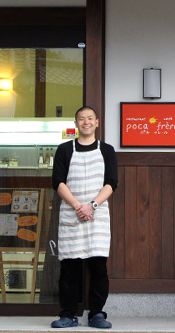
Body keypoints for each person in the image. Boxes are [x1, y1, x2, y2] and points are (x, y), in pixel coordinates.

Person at [50, 106, 118, 329]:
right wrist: (79, 206)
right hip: (72, 214)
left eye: (90, 118)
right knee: (69, 267)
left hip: (97, 216)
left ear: (97, 122)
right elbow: (58, 182)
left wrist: (93, 205)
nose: (86, 122)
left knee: (98, 266)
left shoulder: (106, 150)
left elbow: (111, 183)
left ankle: (97, 313)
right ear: (76, 122)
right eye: (82, 119)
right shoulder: (64, 150)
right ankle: (67, 314)